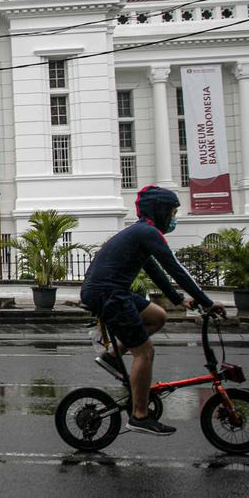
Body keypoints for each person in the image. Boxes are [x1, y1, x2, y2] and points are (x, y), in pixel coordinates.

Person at [80, 185, 225, 436]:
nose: (173, 218)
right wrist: (206, 301)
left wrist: (179, 300)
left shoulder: (141, 233)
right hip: (109, 294)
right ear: (159, 211)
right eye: (172, 212)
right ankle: (139, 415)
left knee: (158, 316)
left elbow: (155, 270)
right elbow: (174, 267)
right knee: (145, 352)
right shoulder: (147, 231)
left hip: (111, 292)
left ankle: (113, 355)